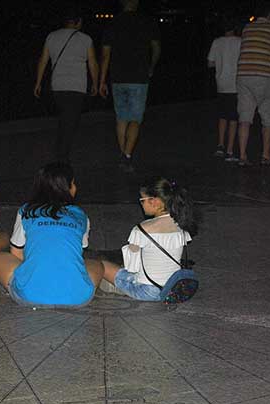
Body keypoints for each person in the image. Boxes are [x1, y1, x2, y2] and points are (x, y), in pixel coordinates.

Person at [0, 162, 104, 307]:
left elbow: (16, 253)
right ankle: (76, 287)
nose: (75, 187)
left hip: (29, 295)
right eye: (73, 183)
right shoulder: (81, 215)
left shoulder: (27, 211)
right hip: (78, 298)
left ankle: (23, 285)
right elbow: (78, 254)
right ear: (67, 188)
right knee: (96, 264)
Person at [100, 177, 197, 301]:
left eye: (142, 200)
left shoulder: (142, 229)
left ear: (154, 202)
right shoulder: (181, 225)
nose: (141, 204)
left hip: (147, 291)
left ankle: (114, 288)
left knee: (102, 265)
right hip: (172, 289)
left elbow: (132, 266)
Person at [100, 0, 161, 172]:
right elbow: (156, 47)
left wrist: (102, 80)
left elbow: (105, 54)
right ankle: (127, 155)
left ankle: (123, 153)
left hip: (118, 77)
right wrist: (151, 66)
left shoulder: (113, 23)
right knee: (135, 118)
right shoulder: (147, 22)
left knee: (121, 118)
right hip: (139, 77)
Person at [33, 7, 99, 162]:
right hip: (77, 87)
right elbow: (93, 63)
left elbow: (43, 60)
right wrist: (95, 83)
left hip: (57, 86)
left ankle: (60, 154)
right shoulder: (86, 39)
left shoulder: (52, 36)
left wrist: (38, 83)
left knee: (65, 120)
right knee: (70, 123)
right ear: (78, 22)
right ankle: (62, 159)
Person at [236, 2, 270, 167]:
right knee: (269, 115)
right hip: (262, 76)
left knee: (245, 118)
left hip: (243, 75)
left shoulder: (247, 28)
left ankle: (242, 156)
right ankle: (265, 156)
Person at [207, 15, 241, 161]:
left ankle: (220, 145)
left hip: (221, 84)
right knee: (233, 118)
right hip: (236, 84)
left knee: (222, 116)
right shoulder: (240, 42)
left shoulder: (217, 42)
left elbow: (210, 63)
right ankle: (230, 150)